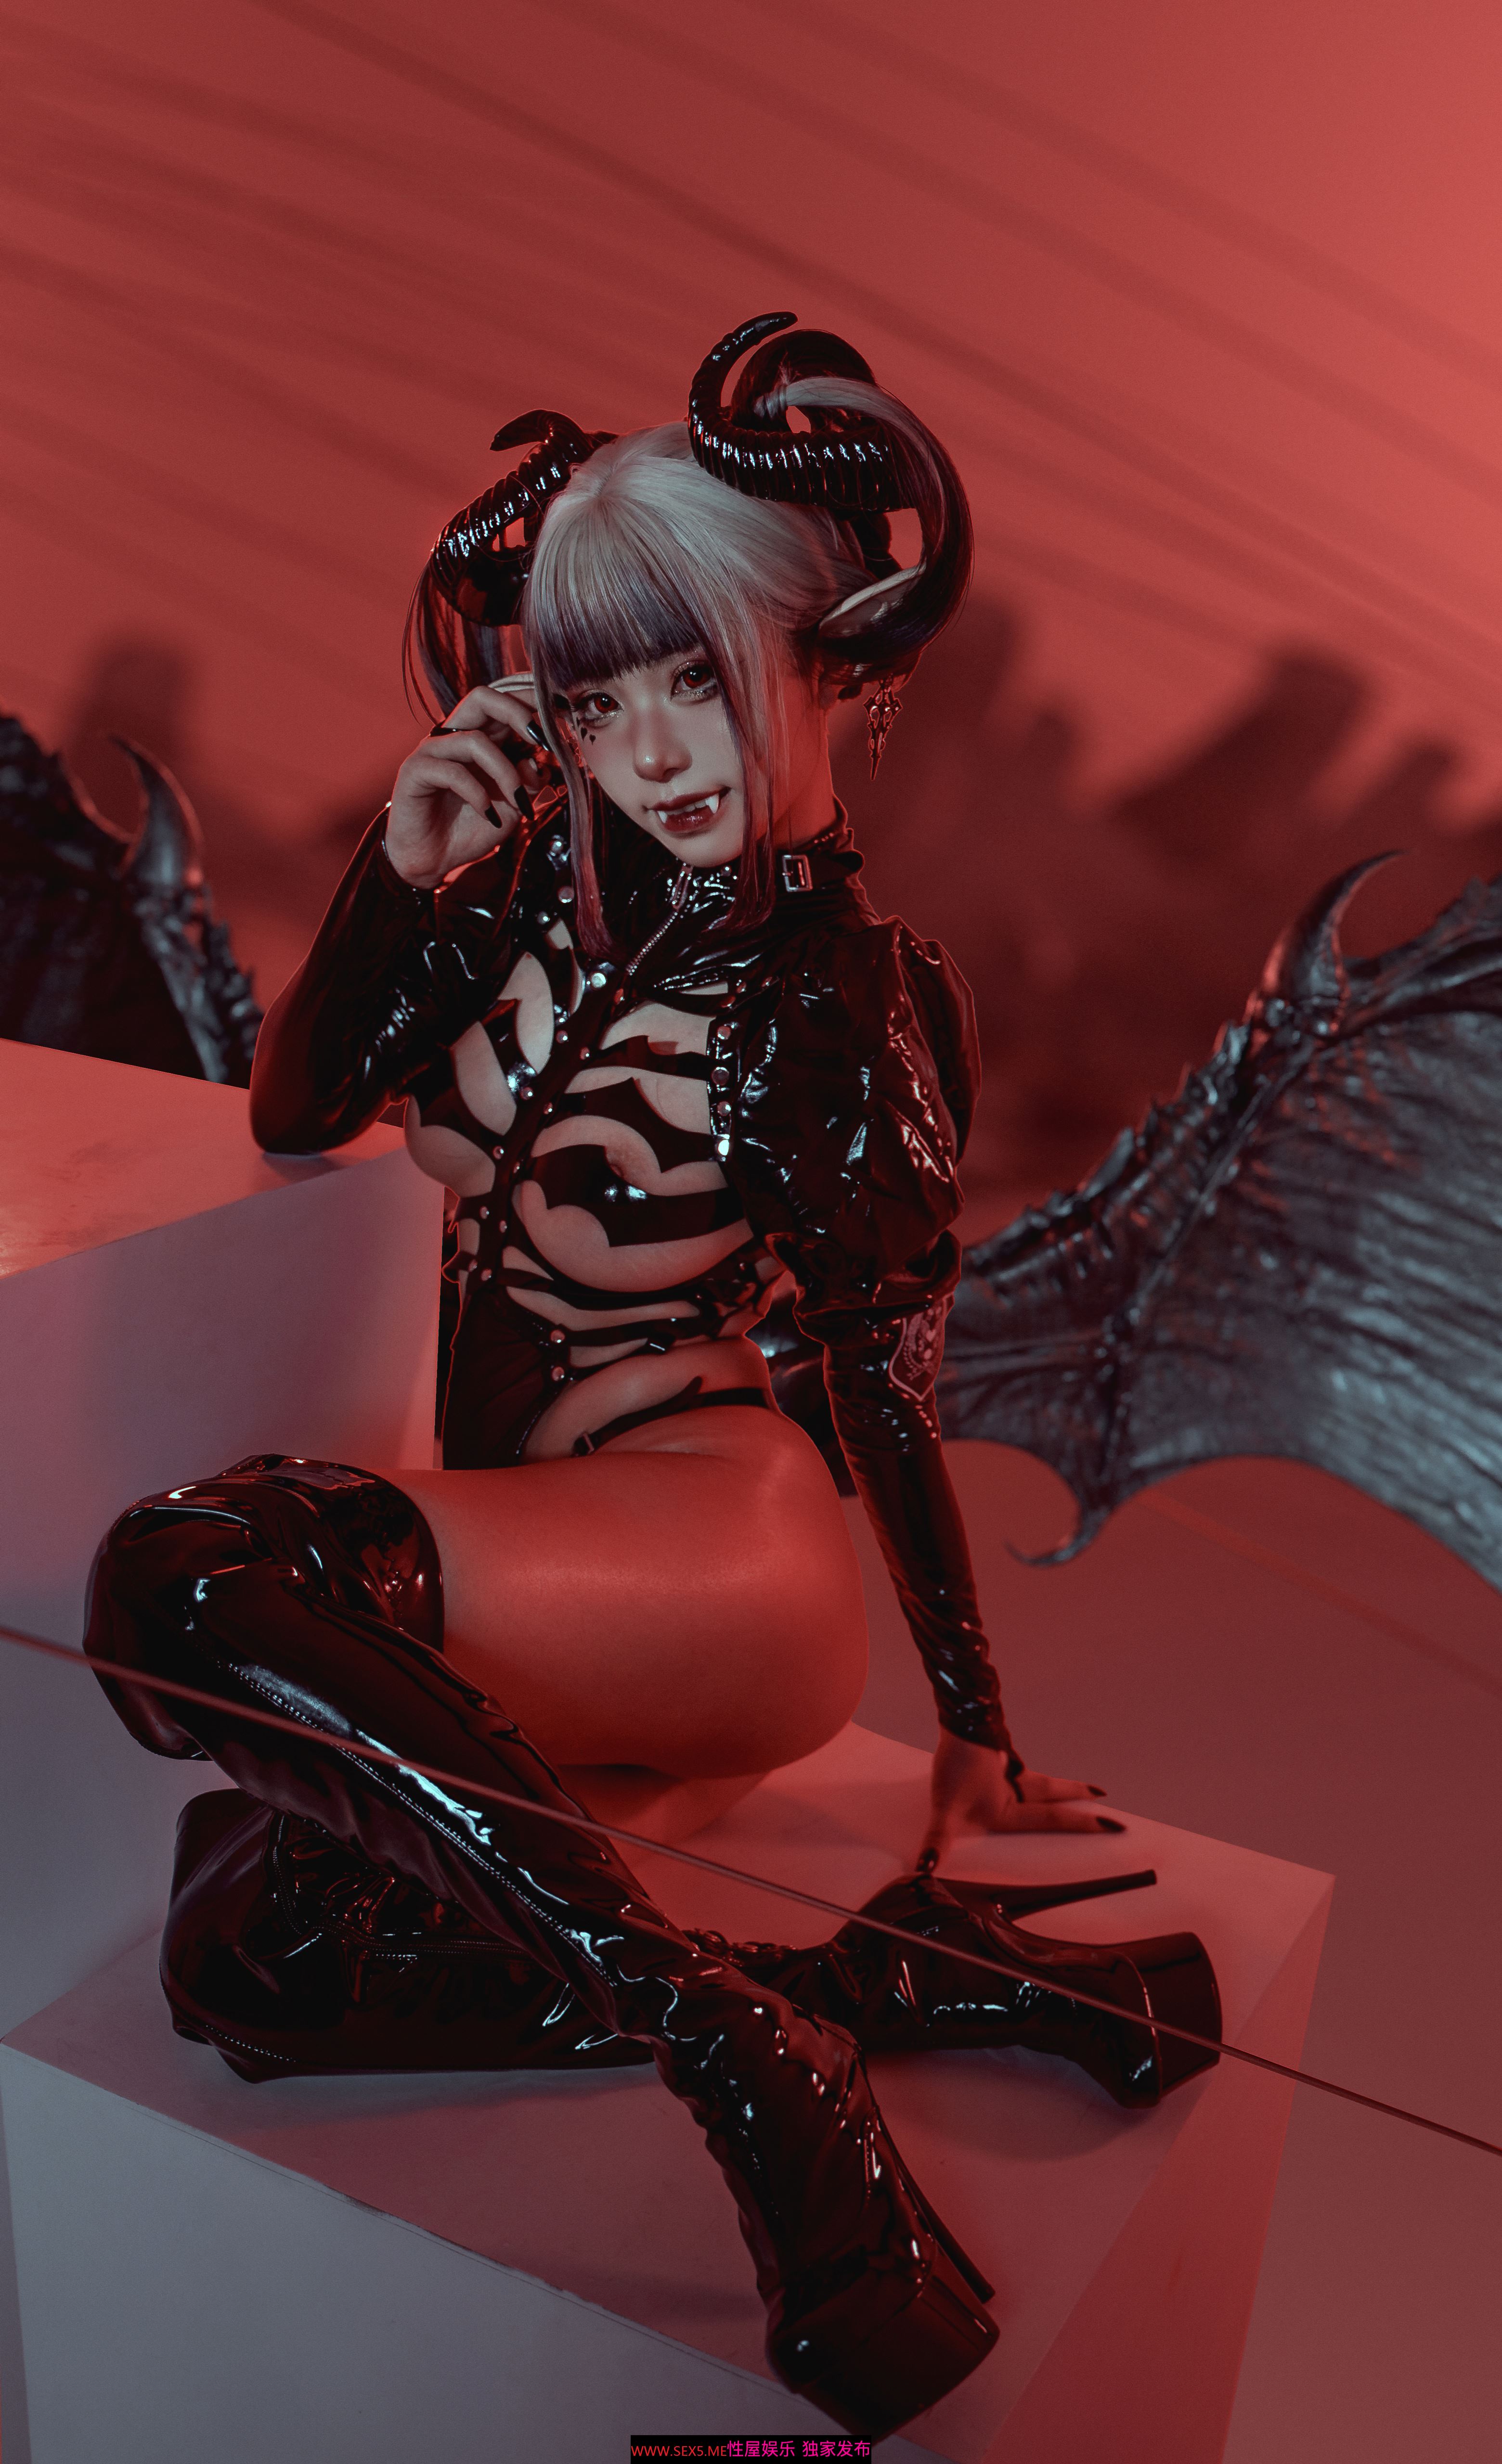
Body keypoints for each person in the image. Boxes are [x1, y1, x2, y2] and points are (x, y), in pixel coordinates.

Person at [84, 316, 1217, 2438]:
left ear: (831, 668)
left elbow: (883, 1371)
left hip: (714, 1538)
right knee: (253, 1960)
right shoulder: (525, 897)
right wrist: (397, 869)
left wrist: (972, 1732)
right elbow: (299, 1105)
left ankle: (735, 2067)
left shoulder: (848, 1000)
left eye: (702, 676)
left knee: (196, 1575)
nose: (656, 748)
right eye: (602, 699)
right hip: (528, 1537)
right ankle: (849, 1995)